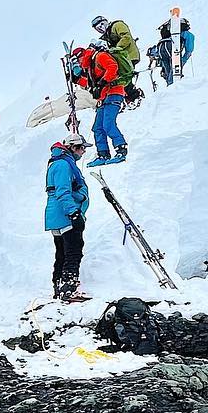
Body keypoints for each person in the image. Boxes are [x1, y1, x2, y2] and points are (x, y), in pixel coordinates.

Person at [45, 133, 90, 300]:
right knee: (73, 250)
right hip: (65, 214)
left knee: (62, 252)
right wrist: (74, 212)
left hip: (55, 215)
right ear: (72, 147)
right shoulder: (64, 165)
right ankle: (68, 288)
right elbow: (62, 191)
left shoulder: (58, 163)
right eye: (81, 147)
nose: (83, 151)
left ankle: (58, 287)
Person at [71, 44, 128, 164]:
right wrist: (76, 79)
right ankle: (103, 154)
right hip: (104, 98)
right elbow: (91, 83)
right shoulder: (91, 66)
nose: (78, 65)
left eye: (76, 62)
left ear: (81, 57)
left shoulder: (99, 56)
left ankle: (121, 149)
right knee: (97, 127)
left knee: (108, 124)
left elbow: (112, 67)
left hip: (114, 92)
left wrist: (103, 82)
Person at [149, 17, 195, 85]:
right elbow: (189, 50)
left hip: (161, 47)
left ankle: (169, 87)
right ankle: (173, 88)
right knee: (174, 73)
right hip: (171, 47)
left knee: (169, 74)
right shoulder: (187, 33)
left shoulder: (170, 32)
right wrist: (182, 61)